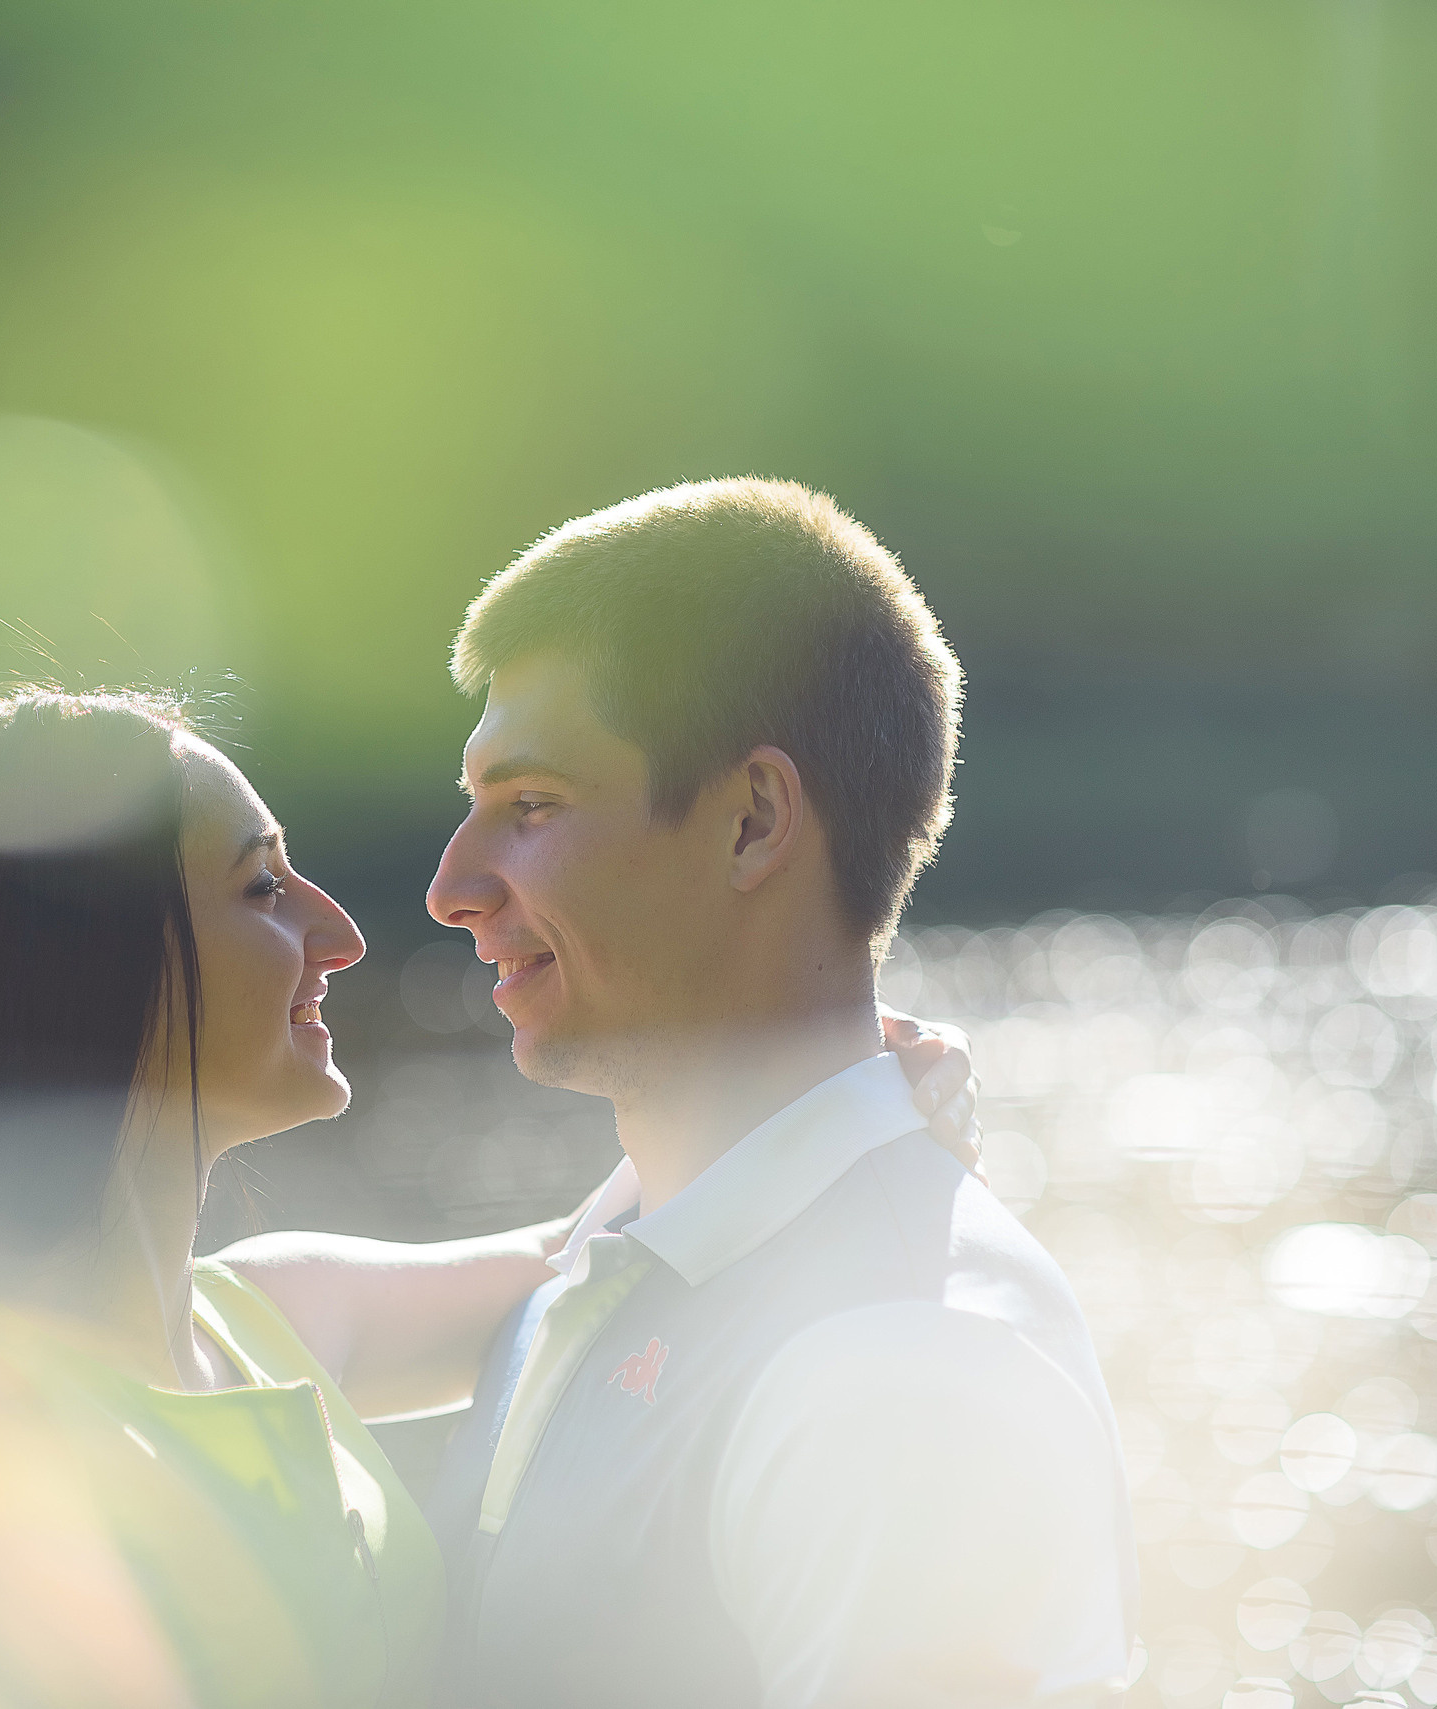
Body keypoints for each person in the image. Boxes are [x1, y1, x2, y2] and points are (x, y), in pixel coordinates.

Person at [0, 685, 981, 1708]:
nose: (338, 936)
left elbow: (597, 1258)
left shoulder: (261, 1315)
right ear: (75, 963)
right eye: (261, 888)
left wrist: (823, 1083)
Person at [423, 479, 1136, 1708]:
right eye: (472, 805)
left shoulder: (898, 1375)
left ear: (752, 821)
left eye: (530, 806)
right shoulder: (619, 1256)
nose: (451, 886)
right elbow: (201, 1318)